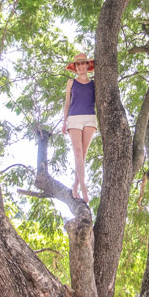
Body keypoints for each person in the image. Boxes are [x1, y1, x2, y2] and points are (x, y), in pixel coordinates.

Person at [62, 53, 96, 203]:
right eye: (78, 64)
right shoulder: (71, 82)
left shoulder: (94, 83)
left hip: (90, 118)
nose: (81, 67)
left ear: (88, 66)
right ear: (75, 67)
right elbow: (67, 103)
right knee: (77, 152)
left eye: (83, 64)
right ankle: (83, 188)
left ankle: (75, 185)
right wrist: (64, 122)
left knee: (83, 154)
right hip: (74, 118)